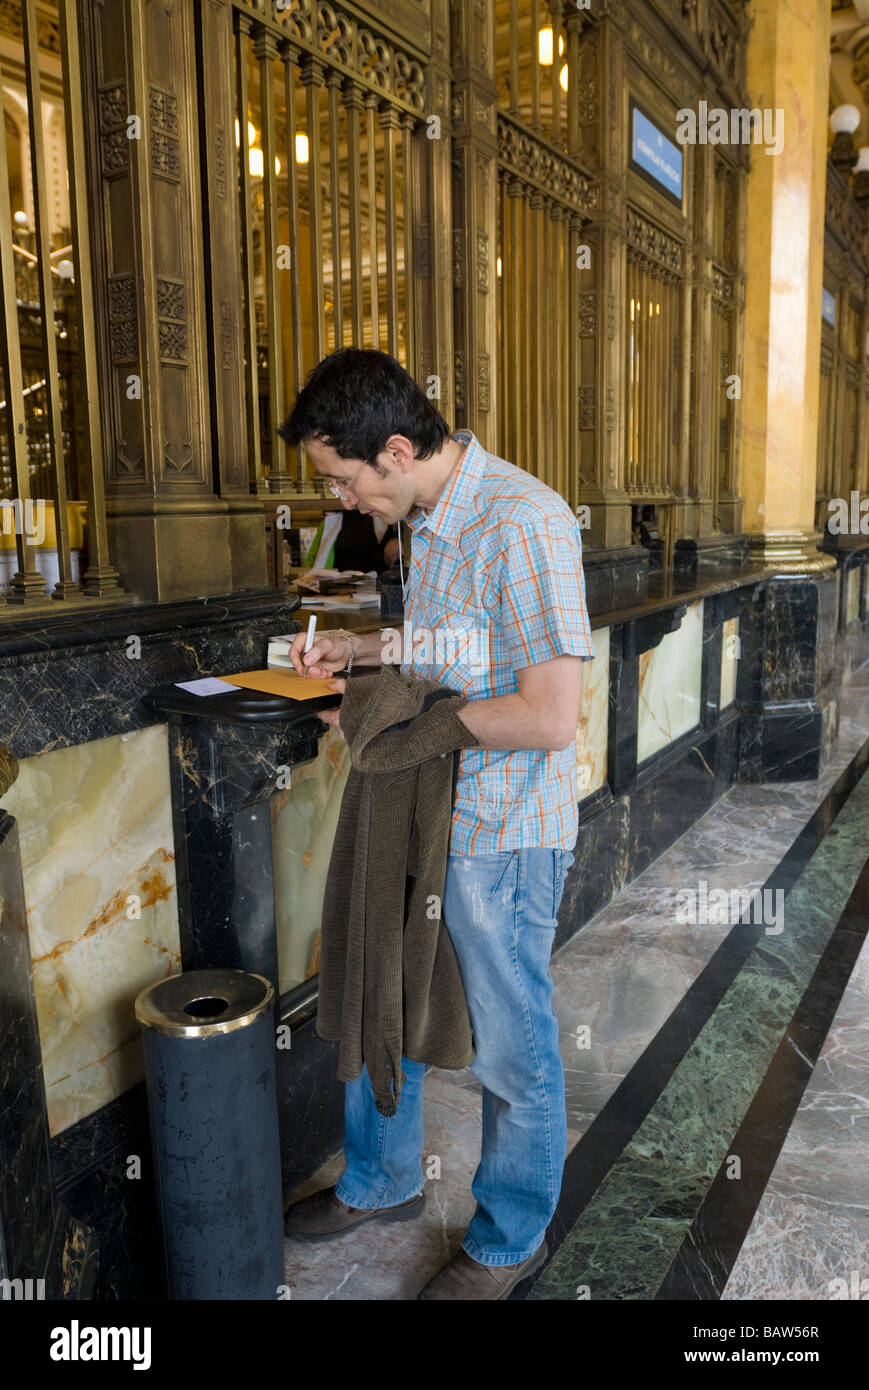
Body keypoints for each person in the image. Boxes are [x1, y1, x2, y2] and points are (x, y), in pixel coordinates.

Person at [278, 347, 595, 1300]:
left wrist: (410, 735)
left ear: (398, 450)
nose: (344, 503)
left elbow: (547, 714)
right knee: (385, 994)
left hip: (498, 835)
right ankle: (380, 1184)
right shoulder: (424, 514)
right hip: (421, 819)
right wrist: (363, 644)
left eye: (343, 481)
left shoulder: (525, 520)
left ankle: (507, 1238)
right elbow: (459, 643)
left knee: (510, 1043)